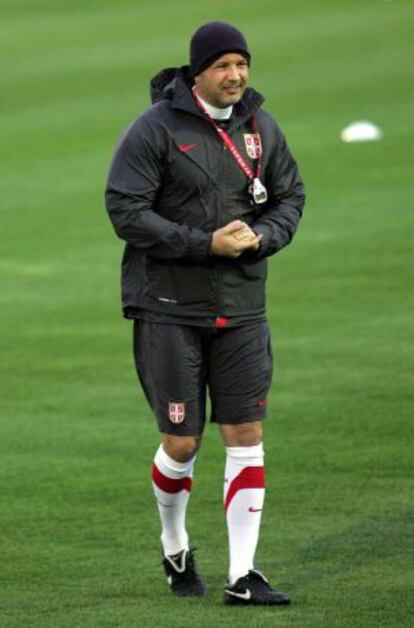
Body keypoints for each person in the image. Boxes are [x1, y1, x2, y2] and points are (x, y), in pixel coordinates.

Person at [105, 21, 305, 606]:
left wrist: (262, 237)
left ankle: (243, 575)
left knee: (245, 433)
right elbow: (125, 208)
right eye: (223, 66)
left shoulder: (261, 128)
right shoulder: (155, 130)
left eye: (242, 64)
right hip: (169, 307)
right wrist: (204, 244)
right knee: (183, 442)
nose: (236, 76)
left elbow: (291, 195)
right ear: (197, 73)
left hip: (242, 307)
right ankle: (175, 545)